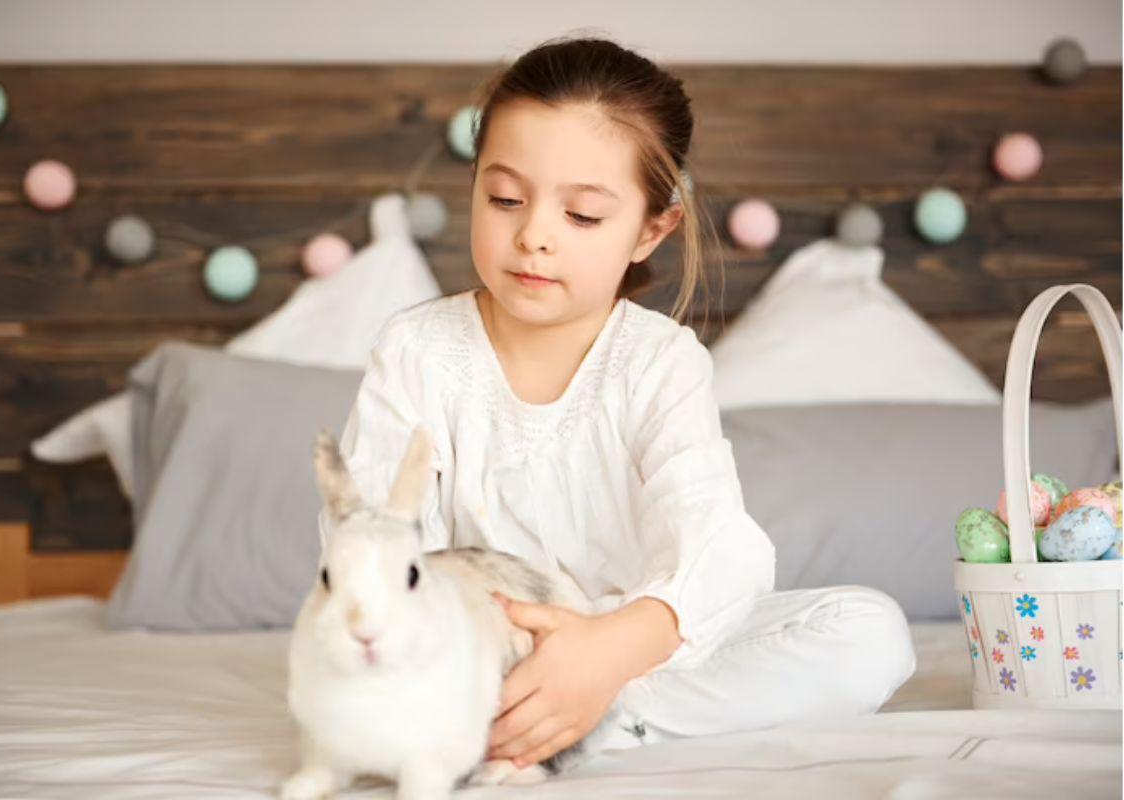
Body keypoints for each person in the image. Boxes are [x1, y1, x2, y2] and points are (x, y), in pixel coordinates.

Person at [335, 35, 917, 771]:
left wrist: (605, 655)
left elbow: (721, 550)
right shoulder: (417, 349)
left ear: (651, 229)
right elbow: (371, 543)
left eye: (581, 215)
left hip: (635, 651)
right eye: (505, 198)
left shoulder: (659, 362)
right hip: (469, 651)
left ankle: (595, 720)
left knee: (869, 632)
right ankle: (528, 716)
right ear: (475, 186)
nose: (534, 235)